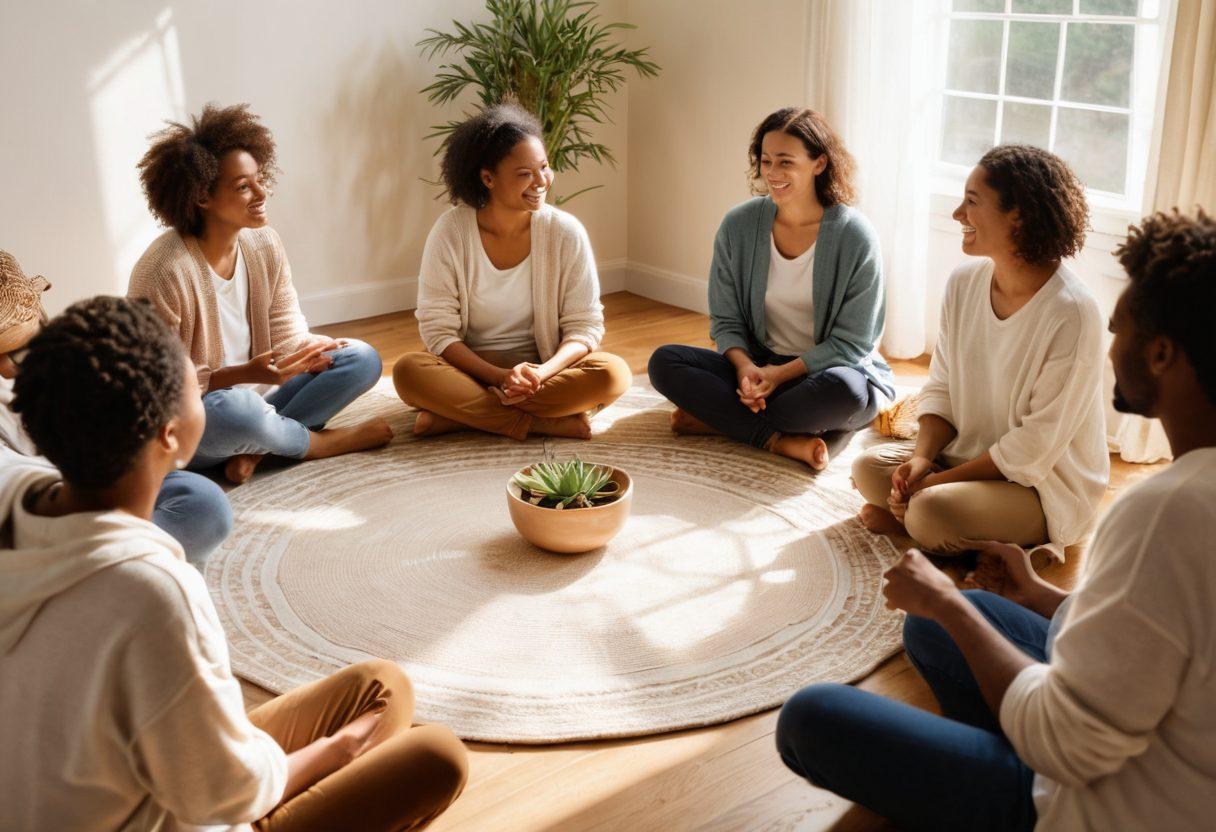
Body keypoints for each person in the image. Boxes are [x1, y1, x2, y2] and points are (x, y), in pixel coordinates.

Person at [775, 210, 1216, 831]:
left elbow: (1065, 744)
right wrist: (1040, 595)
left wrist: (947, 602)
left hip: (1090, 804)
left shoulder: (1166, 511)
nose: (1112, 340)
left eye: (1123, 327)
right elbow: (1158, 644)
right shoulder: (1191, 497)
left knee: (811, 717)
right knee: (934, 632)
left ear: (1163, 352)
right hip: (1157, 747)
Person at [0, 296, 467, 831]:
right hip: (189, 812)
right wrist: (338, 751)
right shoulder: (150, 590)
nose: (204, 392)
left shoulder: (15, 497)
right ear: (170, 434)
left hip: (101, 789)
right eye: (193, 389)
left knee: (383, 686)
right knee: (437, 755)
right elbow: (224, 798)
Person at [852, 145, 1108, 558]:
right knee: (868, 469)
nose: (958, 214)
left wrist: (934, 485)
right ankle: (922, 525)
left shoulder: (1072, 313)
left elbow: (1034, 447)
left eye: (972, 202)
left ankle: (920, 528)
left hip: (1039, 485)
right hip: (966, 459)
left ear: (1019, 215)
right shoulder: (964, 282)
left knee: (930, 510)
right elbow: (942, 386)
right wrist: (921, 461)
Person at [129, 103, 391, 485]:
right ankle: (317, 444)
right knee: (238, 411)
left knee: (361, 358)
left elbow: (287, 335)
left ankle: (256, 450)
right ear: (202, 196)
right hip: (200, 418)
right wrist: (238, 375)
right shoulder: (163, 272)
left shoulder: (264, 243)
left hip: (266, 403)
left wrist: (314, 351)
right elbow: (159, 390)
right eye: (243, 186)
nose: (261, 192)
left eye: (259, 179)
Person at [648, 107, 895, 470]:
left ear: (819, 163)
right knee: (664, 362)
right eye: (765, 161)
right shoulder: (739, 225)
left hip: (829, 373)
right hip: (761, 367)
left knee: (846, 393)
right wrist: (747, 368)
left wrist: (779, 376)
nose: (772, 174)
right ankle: (779, 440)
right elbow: (726, 320)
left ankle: (717, 421)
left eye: (785, 162)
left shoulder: (854, 236)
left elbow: (854, 343)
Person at [392, 103, 631, 440]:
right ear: (488, 178)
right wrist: (499, 377)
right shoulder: (451, 232)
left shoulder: (565, 231)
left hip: (542, 371)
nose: (541, 181)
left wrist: (542, 372)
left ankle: (459, 418)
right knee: (409, 372)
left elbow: (586, 325)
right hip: (471, 371)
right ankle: (544, 423)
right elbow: (437, 330)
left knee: (613, 373)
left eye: (545, 167)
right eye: (524, 173)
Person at [0, 250, 230, 567]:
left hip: (108, 467)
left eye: (18, 350)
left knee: (203, 499)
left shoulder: (57, 359)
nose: (10, 370)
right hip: (59, 498)